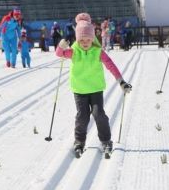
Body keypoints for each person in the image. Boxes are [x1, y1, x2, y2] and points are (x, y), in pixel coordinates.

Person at [55, 13, 132, 157]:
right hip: (80, 90)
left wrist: (121, 81)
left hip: (95, 89)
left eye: (88, 39)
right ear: (78, 39)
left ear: (93, 38)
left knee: (99, 114)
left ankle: (106, 140)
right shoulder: (74, 52)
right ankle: (79, 141)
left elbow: (111, 65)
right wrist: (61, 45)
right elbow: (59, 54)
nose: (85, 42)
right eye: (82, 39)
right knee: (82, 116)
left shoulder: (97, 52)